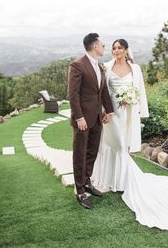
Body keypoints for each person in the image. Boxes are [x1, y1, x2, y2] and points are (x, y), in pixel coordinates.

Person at [92, 39, 168, 230]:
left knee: (120, 146)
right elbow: (101, 91)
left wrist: (134, 104)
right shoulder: (105, 67)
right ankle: (111, 179)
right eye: (114, 48)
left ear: (126, 50)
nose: (116, 50)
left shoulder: (135, 69)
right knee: (109, 144)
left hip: (125, 114)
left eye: (120, 48)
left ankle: (125, 179)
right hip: (109, 113)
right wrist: (101, 110)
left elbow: (139, 91)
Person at [68, 33, 114, 209]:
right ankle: (80, 191)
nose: (104, 47)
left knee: (92, 152)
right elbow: (73, 95)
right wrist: (79, 117)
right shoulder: (78, 65)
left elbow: (102, 92)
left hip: (96, 118)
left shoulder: (100, 66)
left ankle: (87, 182)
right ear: (95, 46)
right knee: (80, 154)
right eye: (102, 44)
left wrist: (108, 111)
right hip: (82, 120)